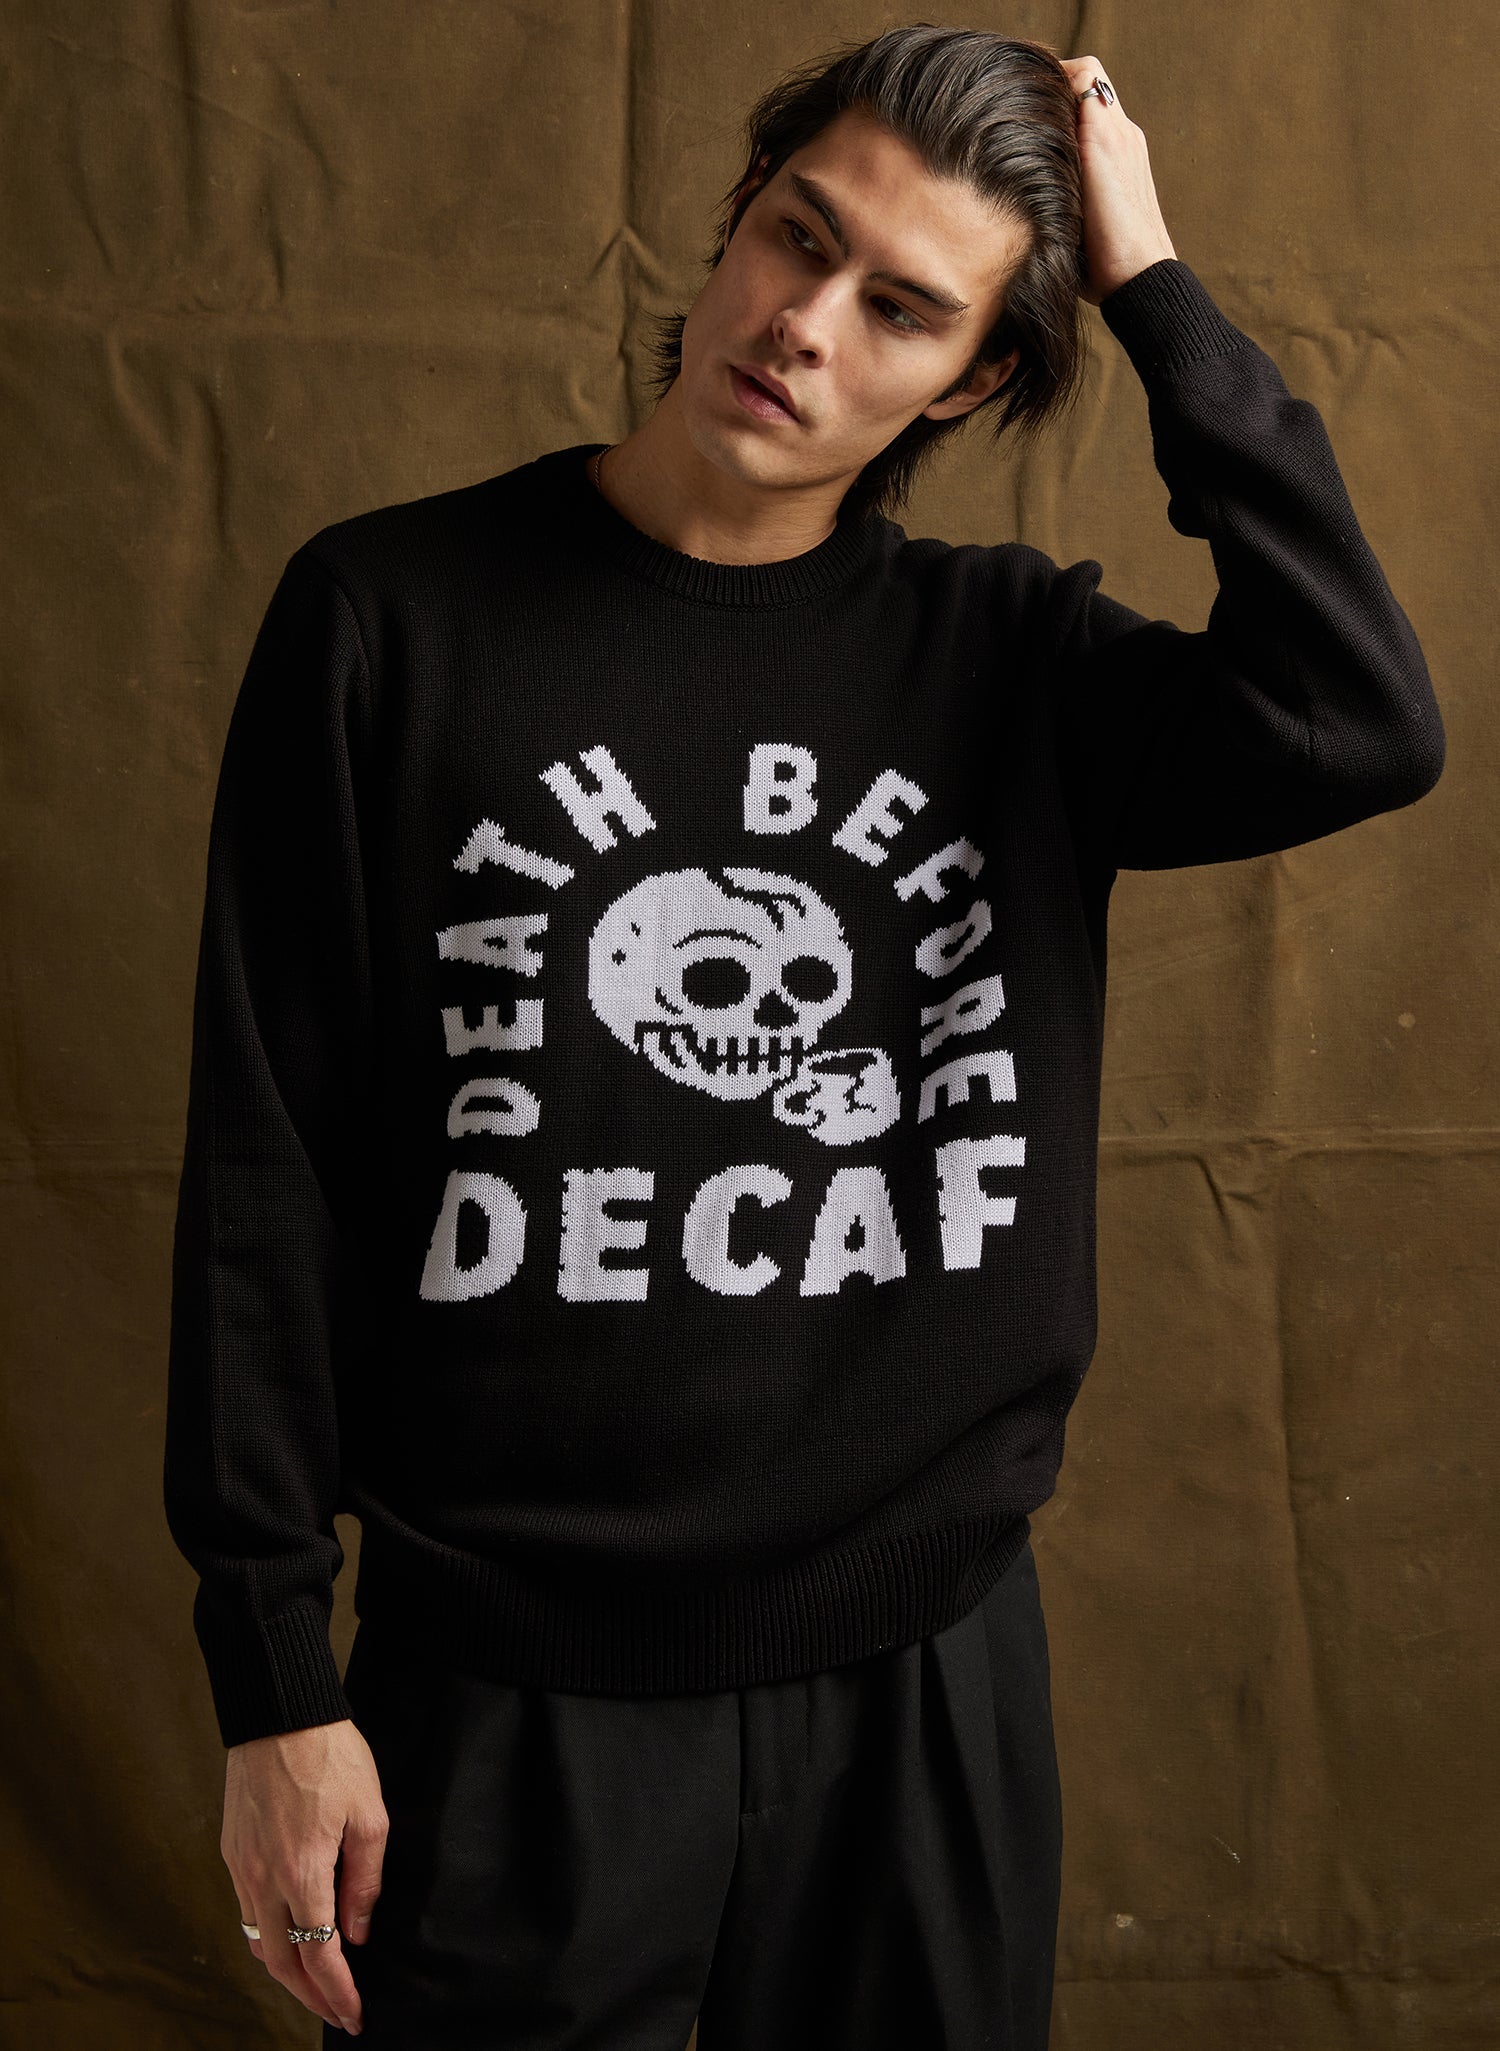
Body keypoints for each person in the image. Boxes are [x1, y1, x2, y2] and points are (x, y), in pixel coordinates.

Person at [163, 24, 1446, 2050]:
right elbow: (267, 1173)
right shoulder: (390, 621)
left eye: (904, 308)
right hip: (504, 1696)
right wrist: (271, 1682)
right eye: (796, 236)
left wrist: (1155, 295)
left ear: (979, 379)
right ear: (736, 222)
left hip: (924, 1679)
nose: (803, 325)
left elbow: (1360, 716)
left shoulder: (1012, 660)